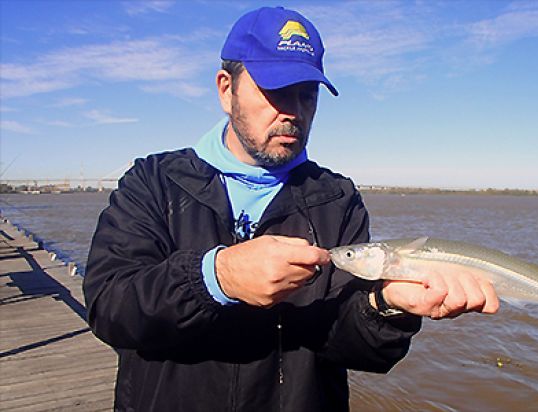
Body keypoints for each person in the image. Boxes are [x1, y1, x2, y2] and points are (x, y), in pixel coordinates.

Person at [83, 6, 499, 412]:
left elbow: (351, 346)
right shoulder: (153, 182)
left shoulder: (336, 198)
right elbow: (110, 308)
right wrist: (216, 277)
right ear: (226, 89)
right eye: (277, 91)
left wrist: (386, 306)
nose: (294, 112)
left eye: (307, 95)